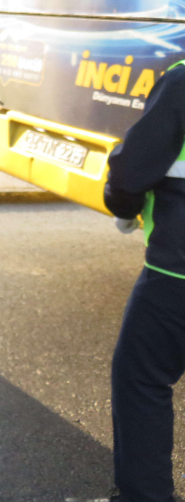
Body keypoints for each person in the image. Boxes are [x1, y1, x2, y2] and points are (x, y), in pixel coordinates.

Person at [72, 60, 185, 502]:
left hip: (177, 270)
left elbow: (130, 170)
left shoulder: (182, 79)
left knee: (141, 377)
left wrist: (123, 206)